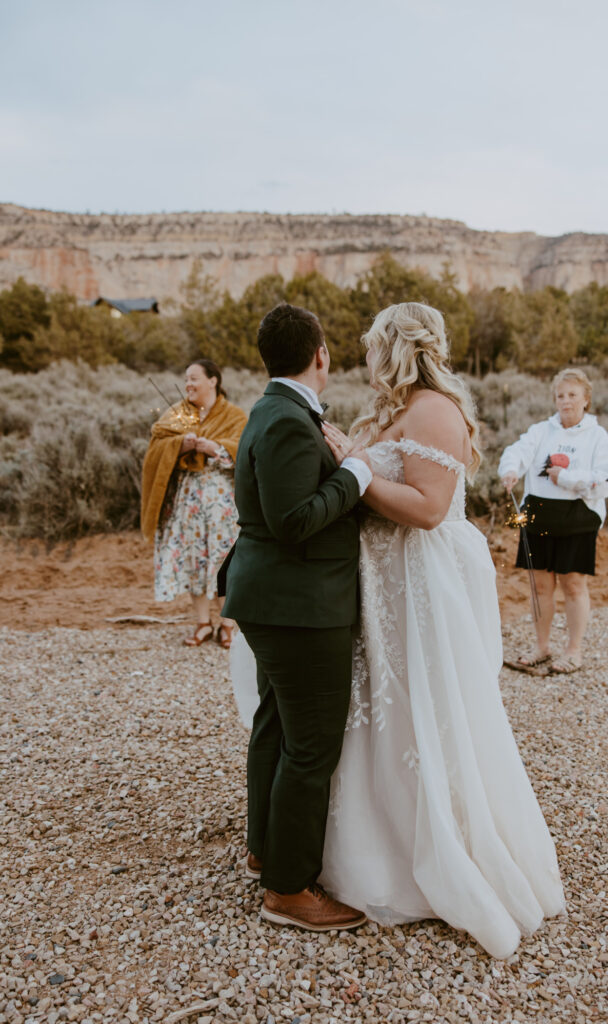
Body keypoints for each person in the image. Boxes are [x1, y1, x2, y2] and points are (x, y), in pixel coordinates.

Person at [231, 302, 566, 957]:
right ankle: (323, 851)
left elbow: (429, 507)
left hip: (419, 588)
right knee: (352, 725)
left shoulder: (434, 409)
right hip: (375, 590)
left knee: (416, 718)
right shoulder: (382, 411)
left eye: (371, 344)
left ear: (397, 346)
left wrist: (356, 476)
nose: (360, 355)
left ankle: (426, 851)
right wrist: (354, 466)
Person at [221, 303, 372, 932]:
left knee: (276, 725)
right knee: (310, 746)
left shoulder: (274, 410)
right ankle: (288, 889)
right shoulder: (285, 419)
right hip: (299, 606)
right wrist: (357, 474)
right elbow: (291, 521)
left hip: (278, 599)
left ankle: (266, 850)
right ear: (322, 355)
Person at [498, 367, 608, 674]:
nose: (566, 401)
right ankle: (542, 647)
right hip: (538, 515)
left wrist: (565, 478)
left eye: (572, 395)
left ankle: (573, 651)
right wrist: (510, 469)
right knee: (539, 586)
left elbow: (604, 479)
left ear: (586, 399)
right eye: (560, 395)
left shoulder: (598, 437)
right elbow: (518, 450)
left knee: (573, 585)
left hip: (578, 517)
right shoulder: (541, 431)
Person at [141, 359, 247, 648]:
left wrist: (215, 448)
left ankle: (228, 624)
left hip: (222, 502)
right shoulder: (176, 414)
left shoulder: (235, 415)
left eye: (194, 378)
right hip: (187, 501)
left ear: (213, 380)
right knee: (194, 557)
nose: (188, 384)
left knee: (225, 558)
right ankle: (202, 623)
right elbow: (157, 446)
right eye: (186, 379)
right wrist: (181, 444)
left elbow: (246, 451)